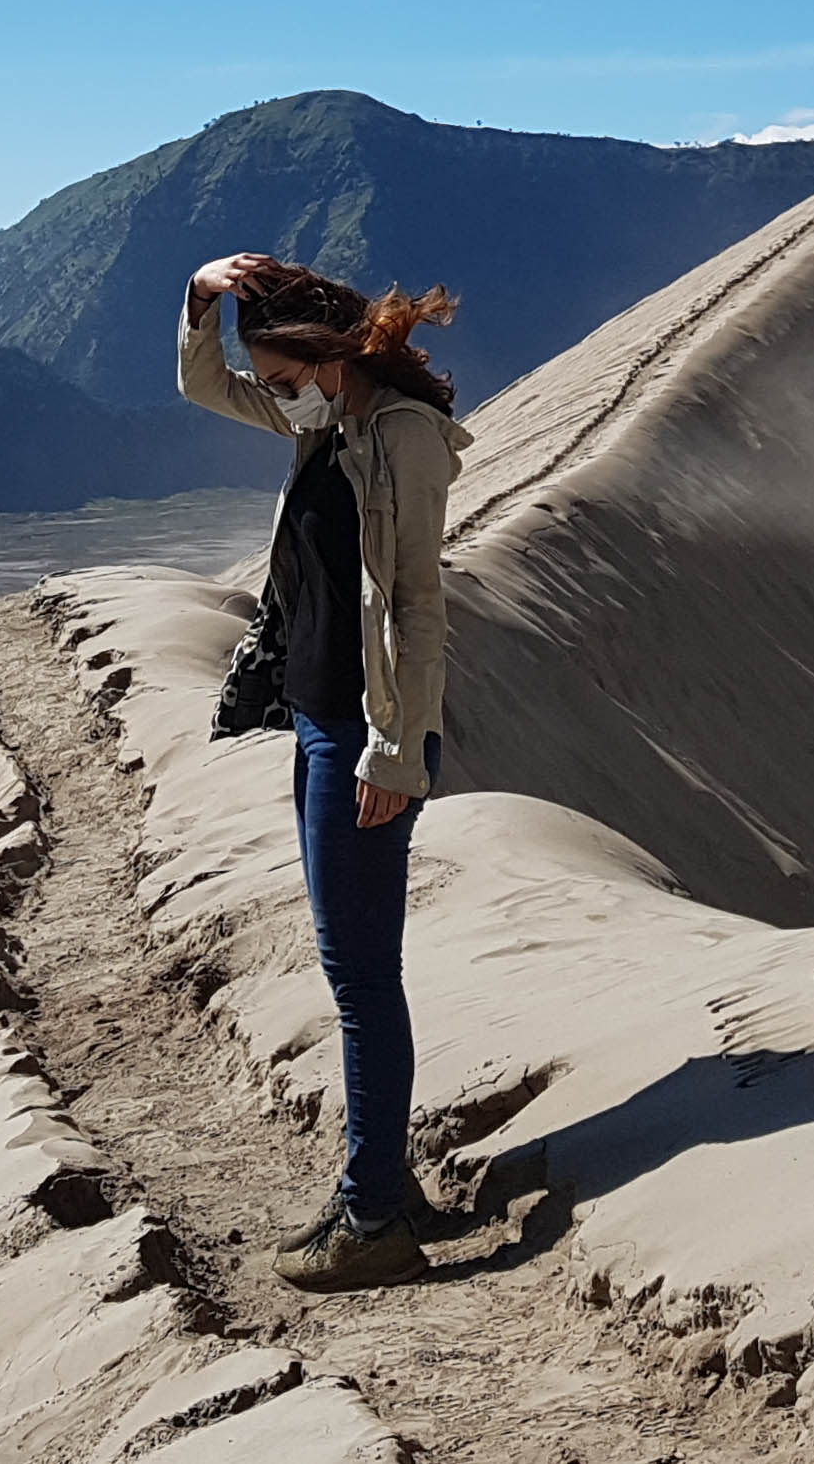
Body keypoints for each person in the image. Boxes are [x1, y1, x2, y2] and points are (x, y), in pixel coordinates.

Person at [181, 247, 466, 1293]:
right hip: (319, 722)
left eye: (282, 370)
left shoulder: (398, 437)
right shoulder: (328, 416)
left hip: (365, 732)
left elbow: (420, 603)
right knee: (356, 968)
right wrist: (203, 297)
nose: (273, 391)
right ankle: (380, 1182)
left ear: (321, 354)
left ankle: (374, 1213)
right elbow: (204, 383)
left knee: (359, 977)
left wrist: (395, 752)